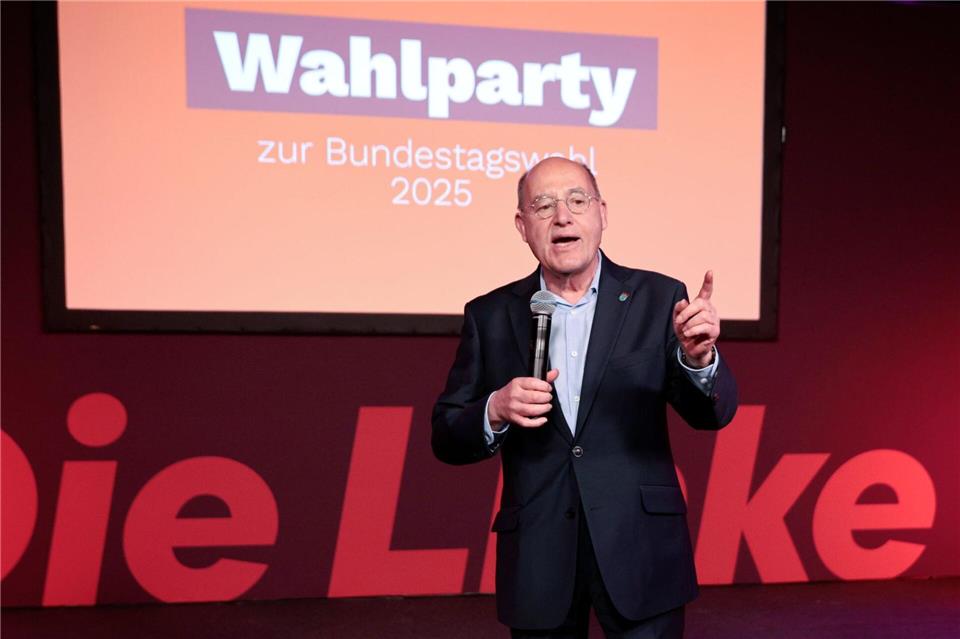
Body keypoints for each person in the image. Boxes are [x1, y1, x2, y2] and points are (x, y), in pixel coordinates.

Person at [432, 157, 738, 638]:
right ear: (522, 226)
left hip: (640, 551)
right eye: (543, 205)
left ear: (602, 214)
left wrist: (698, 360)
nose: (562, 217)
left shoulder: (659, 298)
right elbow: (446, 434)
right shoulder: (490, 315)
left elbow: (711, 415)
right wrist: (495, 408)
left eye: (577, 201)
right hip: (539, 557)